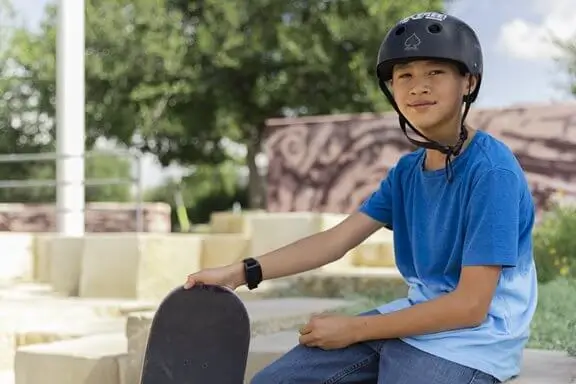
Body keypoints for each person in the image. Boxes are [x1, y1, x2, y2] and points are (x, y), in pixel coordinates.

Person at [184, 11, 538, 384]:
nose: (418, 87)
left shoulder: (491, 172)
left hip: (475, 340)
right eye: (404, 76)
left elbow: (470, 306)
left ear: (469, 81)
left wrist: (354, 329)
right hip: (412, 321)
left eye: (435, 72)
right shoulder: (407, 173)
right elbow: (334, 242)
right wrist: (238, 273)